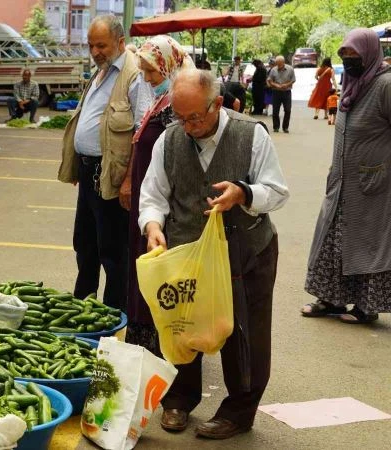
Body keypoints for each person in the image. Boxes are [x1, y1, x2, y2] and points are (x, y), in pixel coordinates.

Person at [140, 69, 289, 439]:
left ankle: (239, 411)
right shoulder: (169, 140)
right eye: (180, 116)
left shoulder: (249, 134)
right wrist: (153, 226)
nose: (188, 126)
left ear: (217, 104)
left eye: (195, 117)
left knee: (244, 333)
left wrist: (244, 193)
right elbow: (153, 195)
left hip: (247, 251)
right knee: (182, 323)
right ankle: (178, 399)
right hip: (188, 252)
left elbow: (277, 190)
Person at [57, 15, 147, 310]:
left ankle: (112, 313)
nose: (95, 52)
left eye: (102, 45)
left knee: (113, 251)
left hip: (112, 175)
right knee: (85, 244)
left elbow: (141, 132)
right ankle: (83, 303)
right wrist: (77, 164)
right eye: (91, 45)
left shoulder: (133, 76)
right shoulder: (101, 73)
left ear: (120, 43)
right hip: (88, 172)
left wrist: (130, 180)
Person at [302, 28, 391, 324]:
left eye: (354, 56)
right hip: (340, 181)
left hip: (372, 185)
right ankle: (331, 300)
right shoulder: (351, 81)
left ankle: (366, 308)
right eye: (345, 56)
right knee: (331, 241)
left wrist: (382, 168)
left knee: (366, 244)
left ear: (368, 54)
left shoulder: (385, 85)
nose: (349, 61)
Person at [120, 35, 192, 355]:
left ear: (169, 65)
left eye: (152, 72)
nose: (147, 78)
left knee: (161, 272)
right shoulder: (160, 102)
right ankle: (143, 337)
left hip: (164, 206)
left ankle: (161, 342)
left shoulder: (176, 109)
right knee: (144, 266)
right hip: (146, 200)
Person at [267, 55, 295, 133]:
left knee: (288, 110)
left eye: (280, 64)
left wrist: (287, 85)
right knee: (275, 110)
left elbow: (293, 80)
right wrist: (275, 85)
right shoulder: (273, 70)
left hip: (287, 92)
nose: (278, 66)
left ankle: (285, 127)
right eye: (277, 64)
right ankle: (276, 127)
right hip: (276, 92)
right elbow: (270, 80)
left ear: (283, 63)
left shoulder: (290, 69)